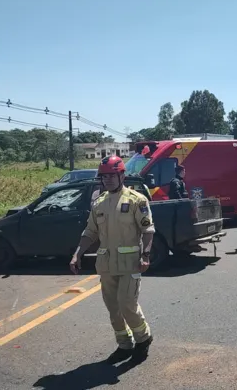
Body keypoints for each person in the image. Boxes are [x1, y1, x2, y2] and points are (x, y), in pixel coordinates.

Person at [69, 155, 154, 365]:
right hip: (106, 264)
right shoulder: (99, 203)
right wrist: (77, 253)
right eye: (104, 176)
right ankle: (124, 344)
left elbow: (148, 230)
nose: (107, 180)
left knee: (127, 304)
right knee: (113, 308)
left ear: (122, 175)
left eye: (111, 175)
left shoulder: (137, 200)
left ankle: (143, 339)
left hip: (131, 263)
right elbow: (90, 232)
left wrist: (146, 255)